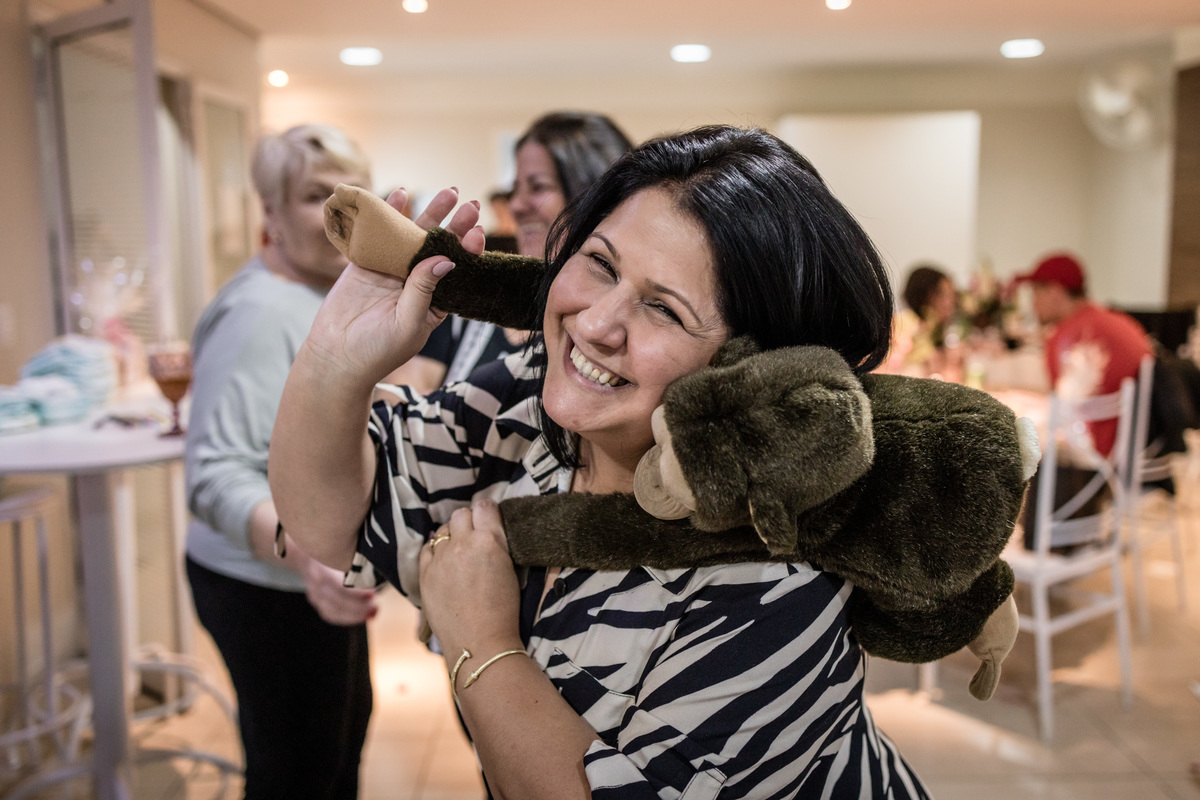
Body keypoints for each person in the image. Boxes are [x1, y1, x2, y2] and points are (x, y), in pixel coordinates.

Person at [269, 126, 930, 798]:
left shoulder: (776, 576)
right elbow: (332, 520)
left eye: (662, 310)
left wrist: (480, 641)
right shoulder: (535, 395)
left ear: (750, 370)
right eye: (601, 264)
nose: (594, 325)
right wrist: (336, 356)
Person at [185, 123, 377, 799]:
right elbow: (212, 477)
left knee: (335, 746)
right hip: (265, 585)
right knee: (300, 770)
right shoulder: (262, 312)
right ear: (269, 210)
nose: (338, 213)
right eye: (313, 195)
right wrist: (307, 555)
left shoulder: (311, 295)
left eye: (353, 195)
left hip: (308, 576)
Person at [396, 111, 633, 393]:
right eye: (515, 189)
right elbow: (401, 403)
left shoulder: (610, 326)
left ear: (594, 195)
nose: (516, 206)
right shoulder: (469, 298)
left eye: (539, 187)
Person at [1018, 252, 1151, 455]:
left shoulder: (1067, 336)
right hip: (1137, 445)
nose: (1032, 304)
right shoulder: (1119, 322)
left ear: (1055, 291)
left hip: (1094, 455)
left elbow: (1063, 410)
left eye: (1035, 293)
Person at [886, 263, 960, 377]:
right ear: (928, 297)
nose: (951, 302)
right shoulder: (905, 325)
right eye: (945, 295)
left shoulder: (937, 330)